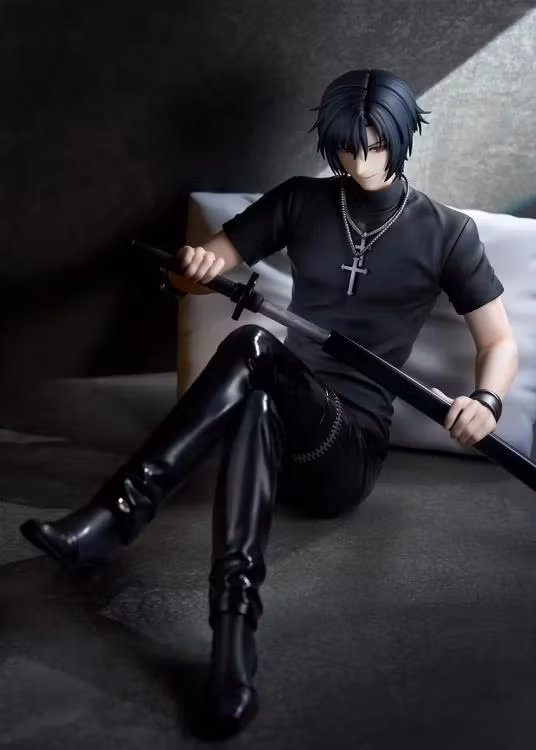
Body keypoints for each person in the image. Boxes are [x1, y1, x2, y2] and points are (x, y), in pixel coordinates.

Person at [20, 69, 518, 737]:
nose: (360, 161)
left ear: (402, 136)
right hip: (276, 422)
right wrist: (194, 269)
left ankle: (116, 515)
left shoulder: (446, 232)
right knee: (256, 404)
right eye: (346, 147)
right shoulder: (301, 201)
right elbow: (197, 271)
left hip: (346, 448)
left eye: (375, 144)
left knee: (254, 346)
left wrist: (486, 400)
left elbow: (498, 340)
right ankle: (233, 650)